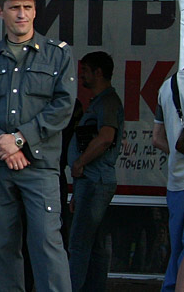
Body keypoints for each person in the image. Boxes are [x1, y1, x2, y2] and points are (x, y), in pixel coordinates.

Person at [0, 0, 76, 292]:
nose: (21, 14)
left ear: (35, 11)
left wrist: (19, 140)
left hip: (39, 166)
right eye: (14, 7)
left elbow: (63, 106)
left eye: (27, 6)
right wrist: (1, 142)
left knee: (47, 244)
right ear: (0, 11)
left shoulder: (58, 55)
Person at [67, 51, 124, 291]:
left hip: (94, 180)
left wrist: (80, 163)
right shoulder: (99, 102)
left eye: (85, 71)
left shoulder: (108, 102)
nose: (81, 76)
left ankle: (73, 287)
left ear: (98, 73)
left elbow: (105, 138)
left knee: (79, 243)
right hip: (89, 182)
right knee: (95, 244)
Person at [153, 32, 184, 292]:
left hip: (176, 182)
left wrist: (177, 153)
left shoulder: (167, 86)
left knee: (177, 248)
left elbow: (157, 138)